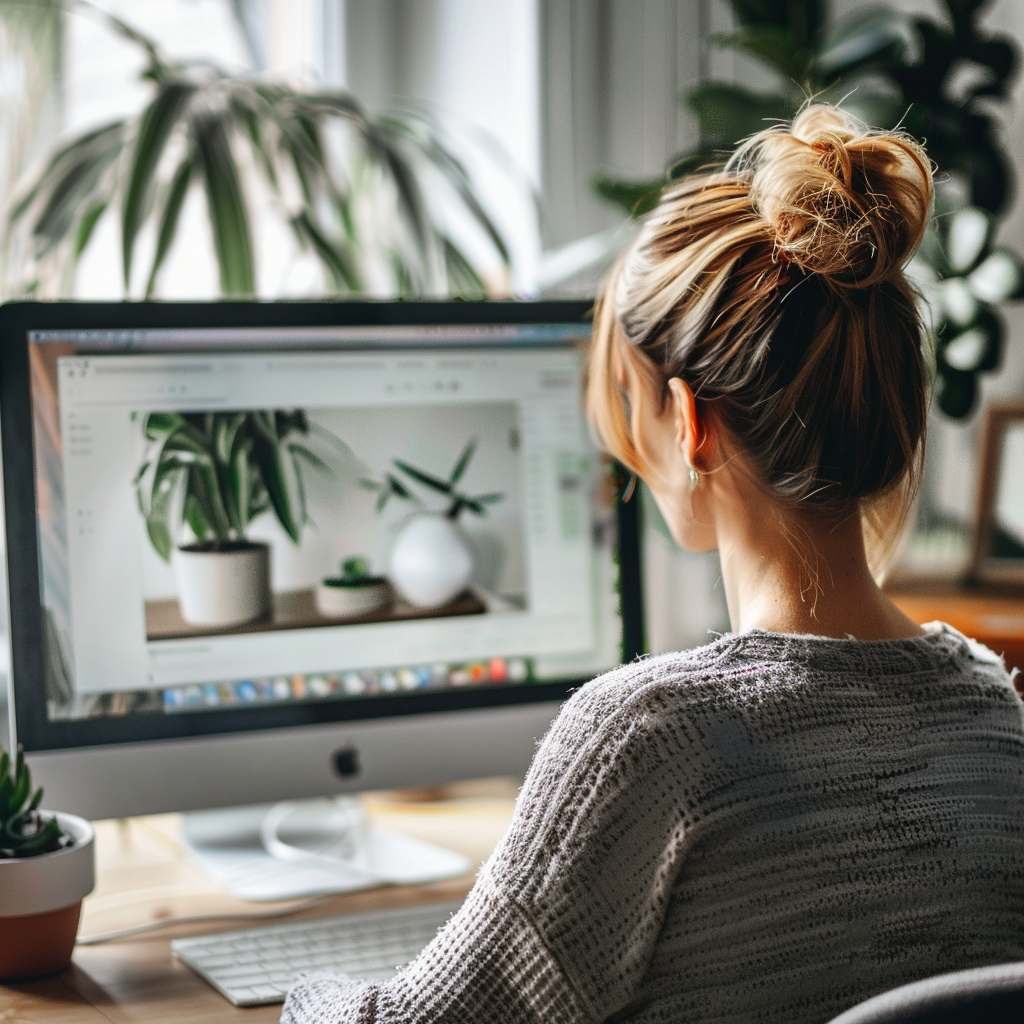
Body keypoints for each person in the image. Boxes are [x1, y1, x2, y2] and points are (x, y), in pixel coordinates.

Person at [282, 104, 1024, 1024]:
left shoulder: (650, 738)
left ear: (689, 421)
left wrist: (301, 993)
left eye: (629, 410)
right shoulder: (996, 717)